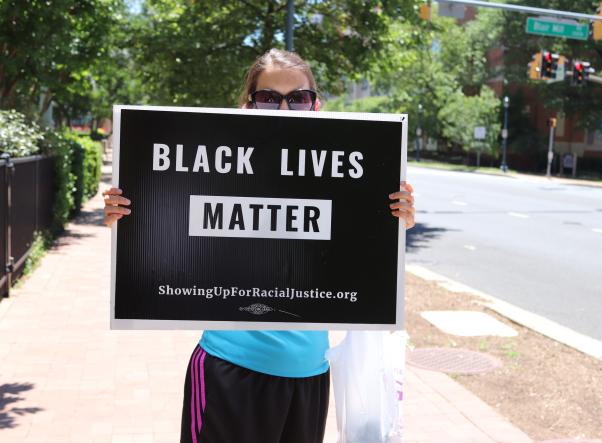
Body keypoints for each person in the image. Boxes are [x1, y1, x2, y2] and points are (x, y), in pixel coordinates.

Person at [103, 48, 415, 443]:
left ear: (315, 104)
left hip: (310, 375)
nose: (284, 109)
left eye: (298, 98)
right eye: (269, 98)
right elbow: (163, 233)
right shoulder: (215, 170)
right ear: (248, 104)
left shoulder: (346, 179)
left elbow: (366, 265)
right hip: (230, 371)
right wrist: (126, 213)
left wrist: (397, 222)